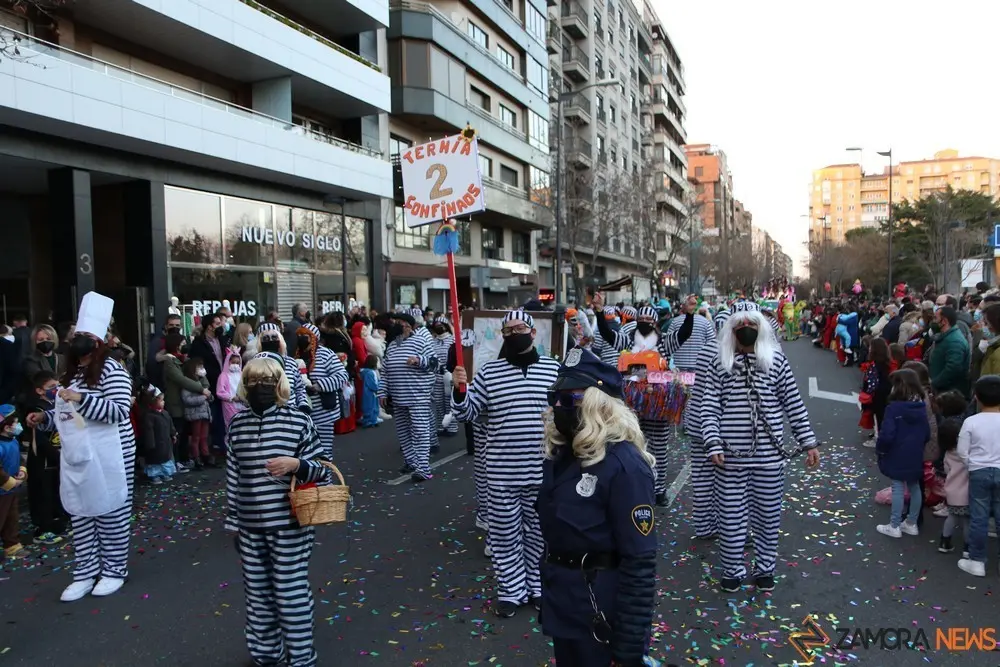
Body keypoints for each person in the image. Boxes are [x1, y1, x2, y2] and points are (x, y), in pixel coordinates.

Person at [537, 348, 657, 667]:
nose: (558, 408)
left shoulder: (624, 466)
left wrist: (630, 646)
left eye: (570, 399)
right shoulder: (564, 457)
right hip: (567, 606)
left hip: (602, 611)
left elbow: (639, 562)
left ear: (597, 405)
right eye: (556, 398)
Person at [696, 303, 820, 592]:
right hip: (729, 458)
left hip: (769, 458)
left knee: (767, 516)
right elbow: (709, 406)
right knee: (729, 517)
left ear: (761, 328)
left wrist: (808, 442)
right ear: (732, 331)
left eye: (751, 324)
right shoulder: (720, 363)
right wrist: (712, 440)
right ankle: (732, 570)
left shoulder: (776, 361)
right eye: (740, 326)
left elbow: (793, 403)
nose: (746, 330)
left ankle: (765, 568)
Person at [26, 292, 136, 601]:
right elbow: (68, 415)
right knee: (82, 512)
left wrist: (82, 399)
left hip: (112, 452)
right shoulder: (70, 374)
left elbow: (117, 411)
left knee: (112, 511)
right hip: (80, 453)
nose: (79, 340)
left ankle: (114, 569)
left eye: (86, 335)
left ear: (99, 341)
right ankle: (85, 571)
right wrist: (45, 419)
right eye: (77, 335)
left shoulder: (113, 370)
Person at [224, 356, 332, 667]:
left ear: (280, 384)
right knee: (257, 595)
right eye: (254, 381)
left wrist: (296, 464)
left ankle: (301, 658)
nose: (261, 387)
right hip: (249, 524)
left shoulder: (298, 420)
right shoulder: (237, 425)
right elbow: (233, 475)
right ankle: (267, 656)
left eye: (268, 381)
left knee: (290, 592)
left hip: (290, 523)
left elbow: (323, 470)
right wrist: (234, 521)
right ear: (245, 385)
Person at [451, 310, 560, 617]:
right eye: (508, 331)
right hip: (500, 473)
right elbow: (466, 414)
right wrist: (460, 391)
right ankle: (511, 591)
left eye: (520, 328)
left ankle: (538, 587)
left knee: (540, 534)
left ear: (533, 332)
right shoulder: (489, 372)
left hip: (542, 471)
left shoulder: (553, 370)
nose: (514, 334)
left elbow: (569, 414)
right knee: (504, 535)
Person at [592, 294, 695, 507]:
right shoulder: (628, 341)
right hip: (633, 405)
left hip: (658, 404)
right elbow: (606, 334)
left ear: (655, 323)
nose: (645, 325)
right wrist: (599, 312)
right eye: (642, 322)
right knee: (633, 445)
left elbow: (684, 334)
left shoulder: (665, 342)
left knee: (659, 447)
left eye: (649, 322)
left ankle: (659, 491)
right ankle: (637, 486)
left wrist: (689, 314)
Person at [380, 313, 438, 482]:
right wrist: (383, 391)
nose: (399, 326)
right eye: (398, 323)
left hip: (418, 395)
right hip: (398, 396)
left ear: (410, 326)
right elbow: (385, 371)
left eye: (403, 323)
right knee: (403, 431)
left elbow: (435, 363)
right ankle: (411, 461)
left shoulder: (421, 341)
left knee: (420, 431)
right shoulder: (392, 345)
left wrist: (419, 360)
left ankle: (423, 467)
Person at [875, 369, 930, 539]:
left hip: (897, 451)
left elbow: (887, 434)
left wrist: (881, 449)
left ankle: (894, 525)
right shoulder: (921, 406)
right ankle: (911, 523)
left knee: (897, 486)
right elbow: (927, 433)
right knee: (914, 486)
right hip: (915, 452)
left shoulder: (894, 408)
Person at [956, 375, 1000, 577]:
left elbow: (962, 451)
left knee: (979, 517)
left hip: (979, 472)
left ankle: (976, 560)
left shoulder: (971, 421)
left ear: (977, 398)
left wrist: (972, 465)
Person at [25, 371, 67, 544]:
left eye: (57, 385)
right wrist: (55, 455)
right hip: (42, 459)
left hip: (58, 456)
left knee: (56, 491)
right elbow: (39, 439)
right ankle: (42, 529)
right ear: (39, 390)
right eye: (51, 387)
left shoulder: (57, 404)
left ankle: (56, 524)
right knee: (42, 494)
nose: (55, 389)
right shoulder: (36, 409)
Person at [296, 323, 348, 459]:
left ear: (313, 338)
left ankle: (326, 479)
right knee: (307, 452)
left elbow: (342, 376)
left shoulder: (326, 354)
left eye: (305, 335)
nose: (301, 338)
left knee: (324, 452)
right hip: (304, 411)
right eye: (299, 335)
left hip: (323, 412)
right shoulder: (296, 355)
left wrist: (319, 385)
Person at [157, 333, 205, 471]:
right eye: (182, 344)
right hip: (175, 402)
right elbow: (181, 379)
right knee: (176, 433)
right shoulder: (170, 362)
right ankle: (175, 461)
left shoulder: (182, 360)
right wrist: (201, 389)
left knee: (184, 433)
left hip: (186, 402)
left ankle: (184, 459)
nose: (185, 346)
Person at [187, 312, 230, 455]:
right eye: (217, 323)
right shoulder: (199, 343)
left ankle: (221, 444)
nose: (221, 326)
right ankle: (210, 448)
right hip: (209, 383)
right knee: (211, 415)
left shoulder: (223, 340)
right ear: (209, 326)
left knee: (222, 415)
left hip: (224, 384)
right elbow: (196, 364)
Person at [256, 323, 310, 413]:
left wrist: (303, 405)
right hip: (266, 417)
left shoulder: (291, 362)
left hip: (292, 416)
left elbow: (299, 388)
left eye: (274, 337)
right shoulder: (254, 364)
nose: (270, 340)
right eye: (265, 338)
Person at [938, 418, 969, 556]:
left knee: (951, 517)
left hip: (951, 492)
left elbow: (946, 471)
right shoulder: (968, 453)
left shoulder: (947, 454)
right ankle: (967, 548)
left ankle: (945, 542)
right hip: (967, 493)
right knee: (968, 521)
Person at [0, 404, 27, 558]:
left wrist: (22, 472)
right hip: (3, 489)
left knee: (12, 518)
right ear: (7, 427)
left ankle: (12, 545)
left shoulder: (13, 441)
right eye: (16, 423)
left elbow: (20, 459)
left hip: (11, 489)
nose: (19, 426)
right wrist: (10, 482)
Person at [929, 306, 972, 398]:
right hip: (945, 391)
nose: (933, 321)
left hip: (950, 394)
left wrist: (934, 383)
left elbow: (953, 368)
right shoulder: (946, 337)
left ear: (944, 321)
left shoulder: (954, 341)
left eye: (935, 318)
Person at [181, 357, 215, 469]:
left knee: (204, 437)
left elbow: (210, 396)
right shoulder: (188, 384)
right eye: (199, 367)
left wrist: (209, 397)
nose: (202, 369)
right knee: (196, 437)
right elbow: (187, 400)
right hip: (195, 415)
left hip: (205, 414)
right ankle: (196, 457)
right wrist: (203, 397)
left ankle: (205, 455)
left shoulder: (201, 382)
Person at [139, 384, 177, 484]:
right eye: (161, 400)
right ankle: (154, 475)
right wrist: (150, 444)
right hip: (155, 443)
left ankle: (165, 473)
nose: (163, 402)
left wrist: (173, 434)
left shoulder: (165, 413)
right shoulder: (149, 416)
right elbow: (148, 431)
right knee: (155, 460)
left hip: (165, 441)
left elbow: (170, 425)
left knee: (165, 458)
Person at [860, 338, 893, 449]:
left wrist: (866, 394)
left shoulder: (873, 366)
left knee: (877, 417)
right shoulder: (887, 363)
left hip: (877, 395)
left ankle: (877, 438)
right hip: (886, 393)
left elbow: (871, 383)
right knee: (883, 416)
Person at [431, 316, 458, 438]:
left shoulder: (453, 340)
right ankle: (442, 425)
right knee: (439, 402)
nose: (438, 326)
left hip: (450, 375)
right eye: (436, 324)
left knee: (449, 402)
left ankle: (452, 426)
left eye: (441, 324)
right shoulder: (432, 342)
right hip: (437, 375)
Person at [145, 313, 183, 389]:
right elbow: (150, 363)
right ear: (166, 326)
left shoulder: (183, 340)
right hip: (161, 383)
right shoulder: (158, 341)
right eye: (171, 325)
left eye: (177, 325)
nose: (174, 328)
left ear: (181, 326)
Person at [22, 324, 66, 389]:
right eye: (41, 339)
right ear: (35, 342)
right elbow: (41, 380)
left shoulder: (62, 358)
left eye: (48, 339)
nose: (45, 341)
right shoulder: (30, 360)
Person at [216, 349, 244, 430]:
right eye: (233, 362)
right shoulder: (223, 376)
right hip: (230, 406)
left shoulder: (242, 375)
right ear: (228, 362)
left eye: (238, 363)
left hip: (242, 405)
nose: (235, 365)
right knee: (231, 426)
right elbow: (220, 392)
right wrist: (231, 397)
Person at [358, 355, 381, 428]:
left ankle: (372, 420)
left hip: (367, 392)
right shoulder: (370, 372)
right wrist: (378, 388)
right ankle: (370, 421)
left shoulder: (365, 371)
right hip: (371, 393)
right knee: (372, 406)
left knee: (370, 406)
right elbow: (372, 384)